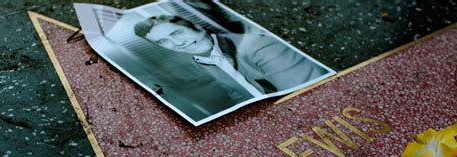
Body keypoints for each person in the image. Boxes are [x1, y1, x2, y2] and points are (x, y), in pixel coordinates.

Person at [134, 15, 327, 96]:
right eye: (164, 42)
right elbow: (236, 94)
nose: (177, 43)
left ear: (198, 27)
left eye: (176, 33)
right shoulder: (202, 62)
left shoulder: (256, 46)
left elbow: (307, 94)